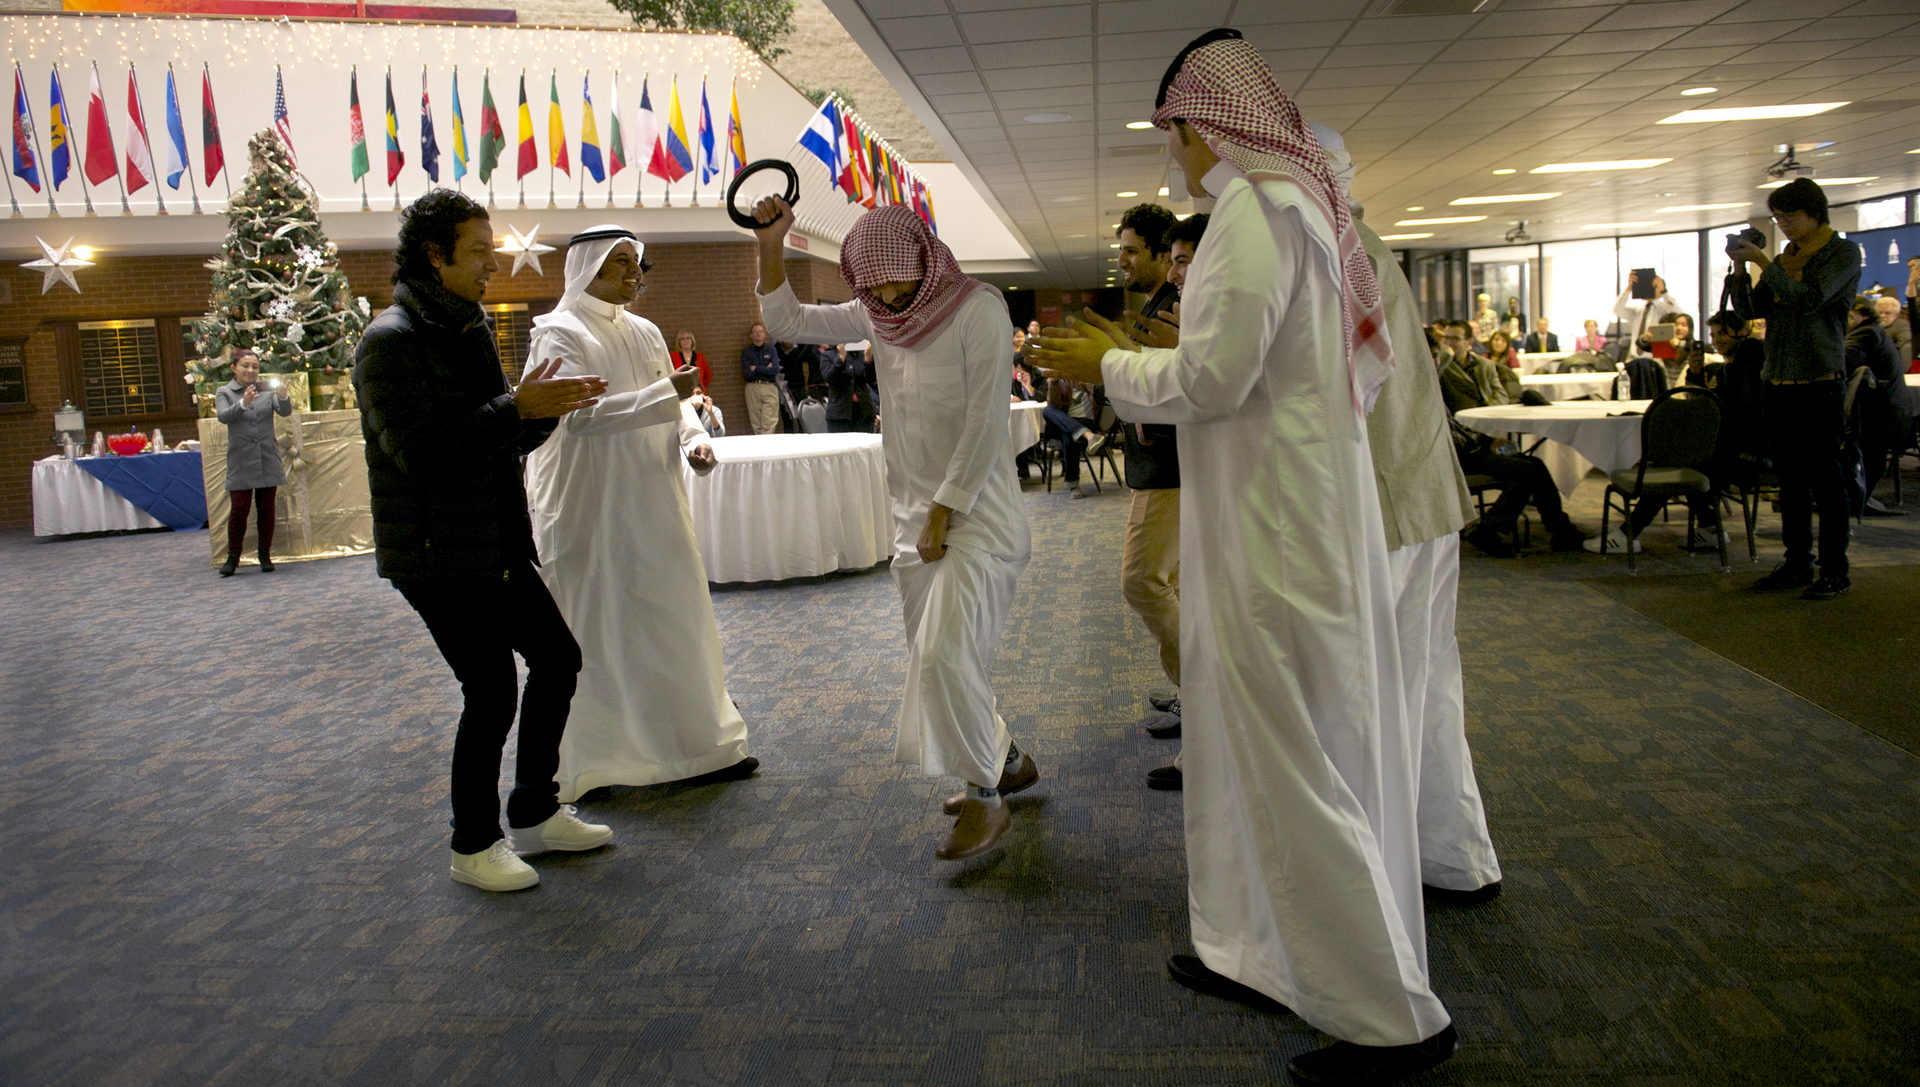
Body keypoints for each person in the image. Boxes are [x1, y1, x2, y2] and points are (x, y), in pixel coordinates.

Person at [1033, 30, 1456, 1084]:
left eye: (1173, 129)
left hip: (1276, 533)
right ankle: (1254, 950)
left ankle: (1389, 1015)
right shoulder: (1288, 206)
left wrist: (1112, 363)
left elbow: (1216, 375)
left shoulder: (1257, 212)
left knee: (1293, 758)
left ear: (1198, 120)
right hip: (1278, 517)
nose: (1173, 153)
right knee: (1243, 747)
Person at [754, 199, 1037, 863]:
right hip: (911, 519)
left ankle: (984, 796)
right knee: (936, 656)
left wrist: (944, 509)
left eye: (894, 282)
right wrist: (771, 245)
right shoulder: (881, 315)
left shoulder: (978, 309)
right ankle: (1008, 757)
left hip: (976, 516)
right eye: (871, 286)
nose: (885, 296)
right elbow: (788, 320)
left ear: (922, 259)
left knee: (943, 653)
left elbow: (983, 418)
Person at [353, 189, 612, 893]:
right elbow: (424, 453)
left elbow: (493, 436)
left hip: (492, 537)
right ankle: (473, 842)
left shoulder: (465, 327)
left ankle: (533, 808)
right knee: (492, 688)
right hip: (435, 553)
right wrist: (513, 408)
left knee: (557, 658)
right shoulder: (390, 341)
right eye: (477, 253)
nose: (492, 266)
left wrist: (542, 412)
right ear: (434, 257)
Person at [1325, 123, 1502, 905]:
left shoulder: (1334, 248)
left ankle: (1376, 883)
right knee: (1428, 687)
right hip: (1422, 492)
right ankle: (1453, 857)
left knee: (1373, 701)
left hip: (1387, 503)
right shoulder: (1362, 239)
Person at [521, 224, 757, 802]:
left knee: (672, 612)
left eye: (636, 263)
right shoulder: (559, 332)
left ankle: (698, 746)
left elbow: (674, 405)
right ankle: (600, 763)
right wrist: (668, 396)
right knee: (600, 626)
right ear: (588, 269)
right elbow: (576, 416)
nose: (633, 274)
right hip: (591, 506)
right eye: (620, 263)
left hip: (653, 496)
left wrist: (693, 438)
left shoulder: (648, 330)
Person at [1729, 177, 1860, 600]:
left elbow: (1809, 300)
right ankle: (1797, 562)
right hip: (1778, 380)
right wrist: (1739, 268)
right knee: (1789, 479)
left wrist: (1765, 264)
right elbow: (1752, 312)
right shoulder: (1787, 257)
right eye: (1777, 217)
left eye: (1789, 216)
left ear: (1814, 213)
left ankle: (1835, 570)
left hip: (1819, 380)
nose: (1782, 224)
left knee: (1826, 478)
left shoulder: (1841, 253)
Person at [1112, 204, 1185, 741]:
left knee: (1141, 580)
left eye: (1132, 250)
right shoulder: (1158, 304)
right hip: (1162, 465)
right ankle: (1196, 694)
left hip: (1172, 467)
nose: (1123, 260)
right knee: (1173, 582)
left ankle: (1204, 697)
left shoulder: (1174, 308)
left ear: (1163, 256)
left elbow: (1185, 382)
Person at [1436, 320, 1587, 556]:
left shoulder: (1485, 366)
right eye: (1445, 339)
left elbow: (1500, 399)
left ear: (1469, 342)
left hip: (1482, 440)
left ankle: (1560, 529)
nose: (1449, 344)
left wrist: (1490, 437)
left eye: (1454, 339)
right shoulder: (1439, 373)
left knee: (1535, 462)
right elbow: (1452, 427)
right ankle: (1488, 529)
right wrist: (1487, 441)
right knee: (1525, 470)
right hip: (1463, 451)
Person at [213, 348, 291, 577]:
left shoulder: (267, 390)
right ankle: (233, 556)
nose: (250, 370)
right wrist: (243, 403)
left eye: (254, 367)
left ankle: (264, 554)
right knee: (239, 510)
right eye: (245, 366)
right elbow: (223, 416)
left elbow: (284, 412)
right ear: (234, 368)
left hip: (266, 456)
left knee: (266, 508)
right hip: (241, 459)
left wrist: (284, 395)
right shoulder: (224, 391)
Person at [1844, 295, 1905, 514]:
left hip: (1880, 418)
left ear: (1862, 314)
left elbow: (1844, 360)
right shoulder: (1873, 331)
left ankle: (1853, 499)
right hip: (1886, 412)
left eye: (1849, 315)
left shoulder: (1866, 333)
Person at [1043, 376, 1107, 498]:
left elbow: (1102, 399)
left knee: (1069, 439)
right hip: (1063, 422)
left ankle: (1073, 484)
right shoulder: (1061, 381)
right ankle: (1088, 435)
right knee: (1047, 410)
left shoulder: (1090, 380)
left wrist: (1087, 384)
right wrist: (1054, 384)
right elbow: (1053, 404)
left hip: (1085, 422)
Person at [1614, 271, 1684, 350]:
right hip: (1635, 357)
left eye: (1654, 286)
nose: (1649, 289)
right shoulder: (1638, 309)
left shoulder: (1665, 308)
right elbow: (1617, 310)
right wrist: (1629, 287)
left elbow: (1678, 313)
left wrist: (1664, 292)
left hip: (1656, 357)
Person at [823, 338, 879, 433]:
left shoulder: (860, 354)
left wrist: (868, 358)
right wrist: (840, 358)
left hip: (863, 411)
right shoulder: (828, 355)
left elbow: (870, 379)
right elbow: (829, 378)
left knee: (865, 445)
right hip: (839, 413)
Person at [741, 322, 781, 434]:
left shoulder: (771, 350)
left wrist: (756, 368)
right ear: (751, 335)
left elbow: (774, 371)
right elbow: (747, 374)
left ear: (764, 334)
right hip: (752, 387)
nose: (758, 334)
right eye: (755, 332)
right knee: (756, 424)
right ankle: (761, 449)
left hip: (769, 387)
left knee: (769, 423)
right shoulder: (746, 352)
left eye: (760, 331)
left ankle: (768, 449)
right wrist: (765, 368)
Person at [1874, 293, 1912, 364]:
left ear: (1897, 314)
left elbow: (1904, 345)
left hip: (1890, 363)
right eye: (1880, 312)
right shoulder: (1872, 326)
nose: (1883, 315)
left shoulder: (1900, 325)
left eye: (1887, 313)